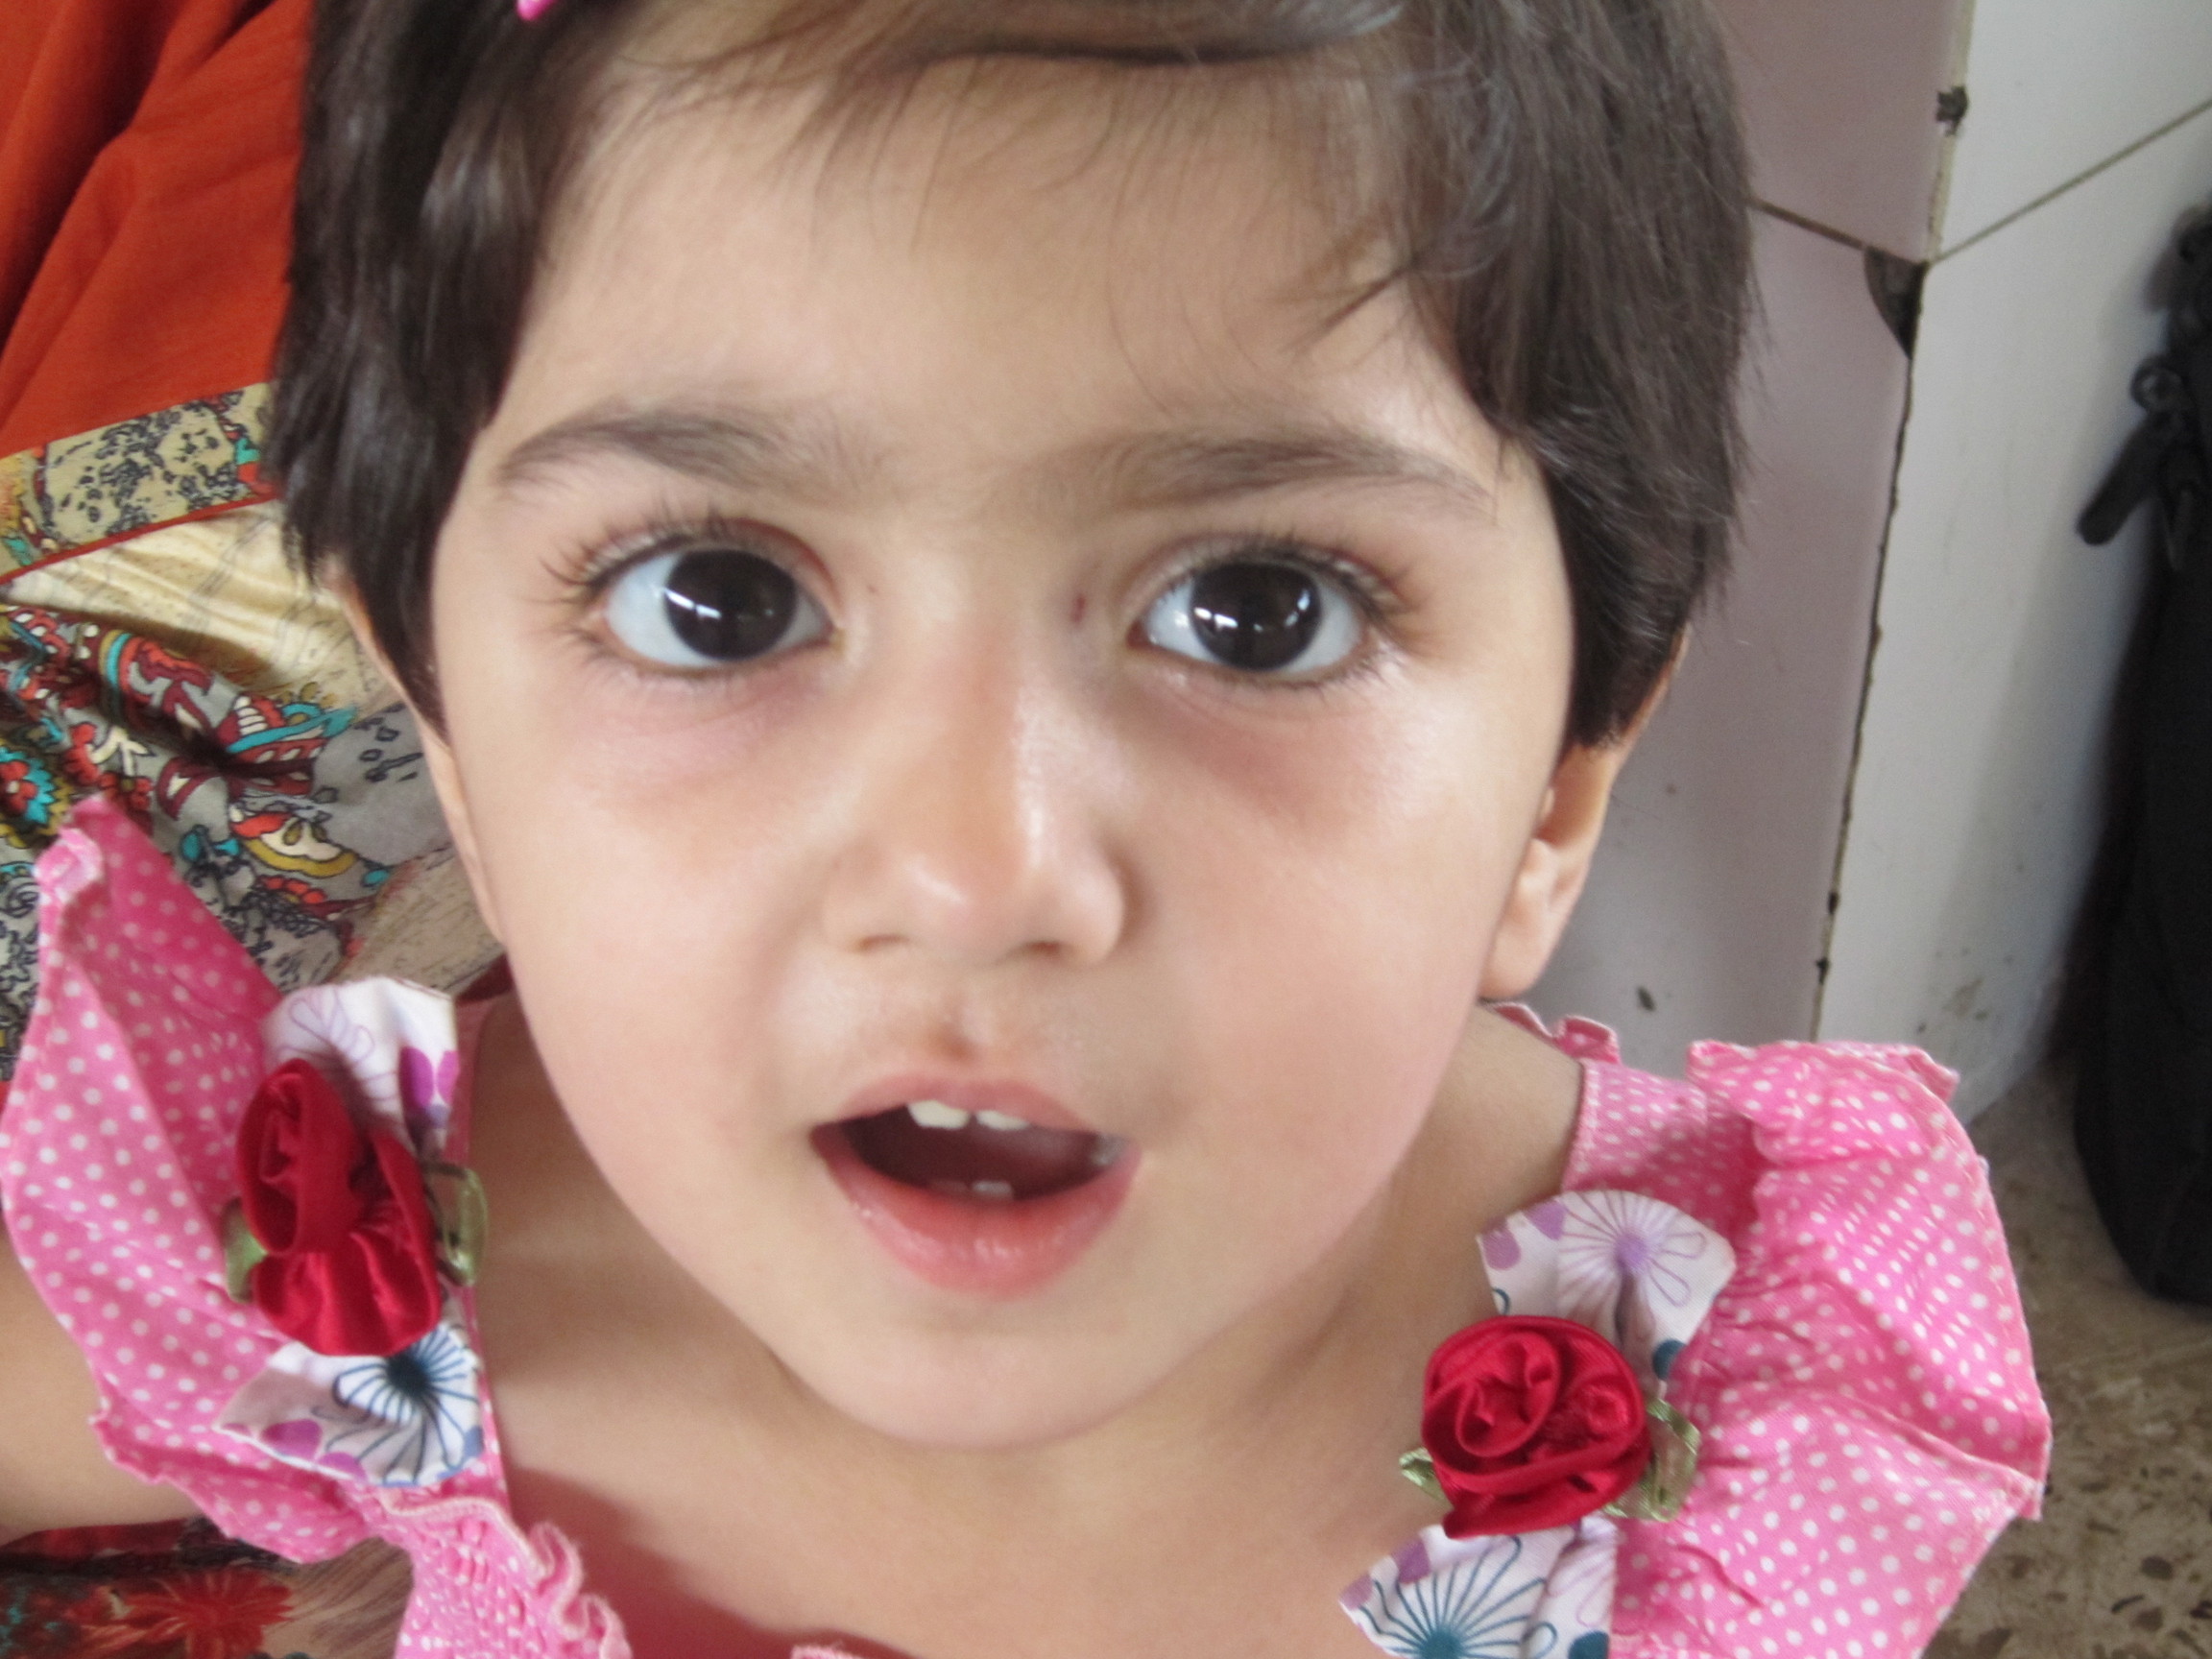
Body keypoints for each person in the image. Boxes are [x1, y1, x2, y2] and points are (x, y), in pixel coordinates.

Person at [0, 0, 2051, 1655]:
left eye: (1259, 611)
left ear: (1557, 791)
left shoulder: (1729, 1413)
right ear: (449, 733)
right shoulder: (339, 1266)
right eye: (717, 600)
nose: (976, 876)